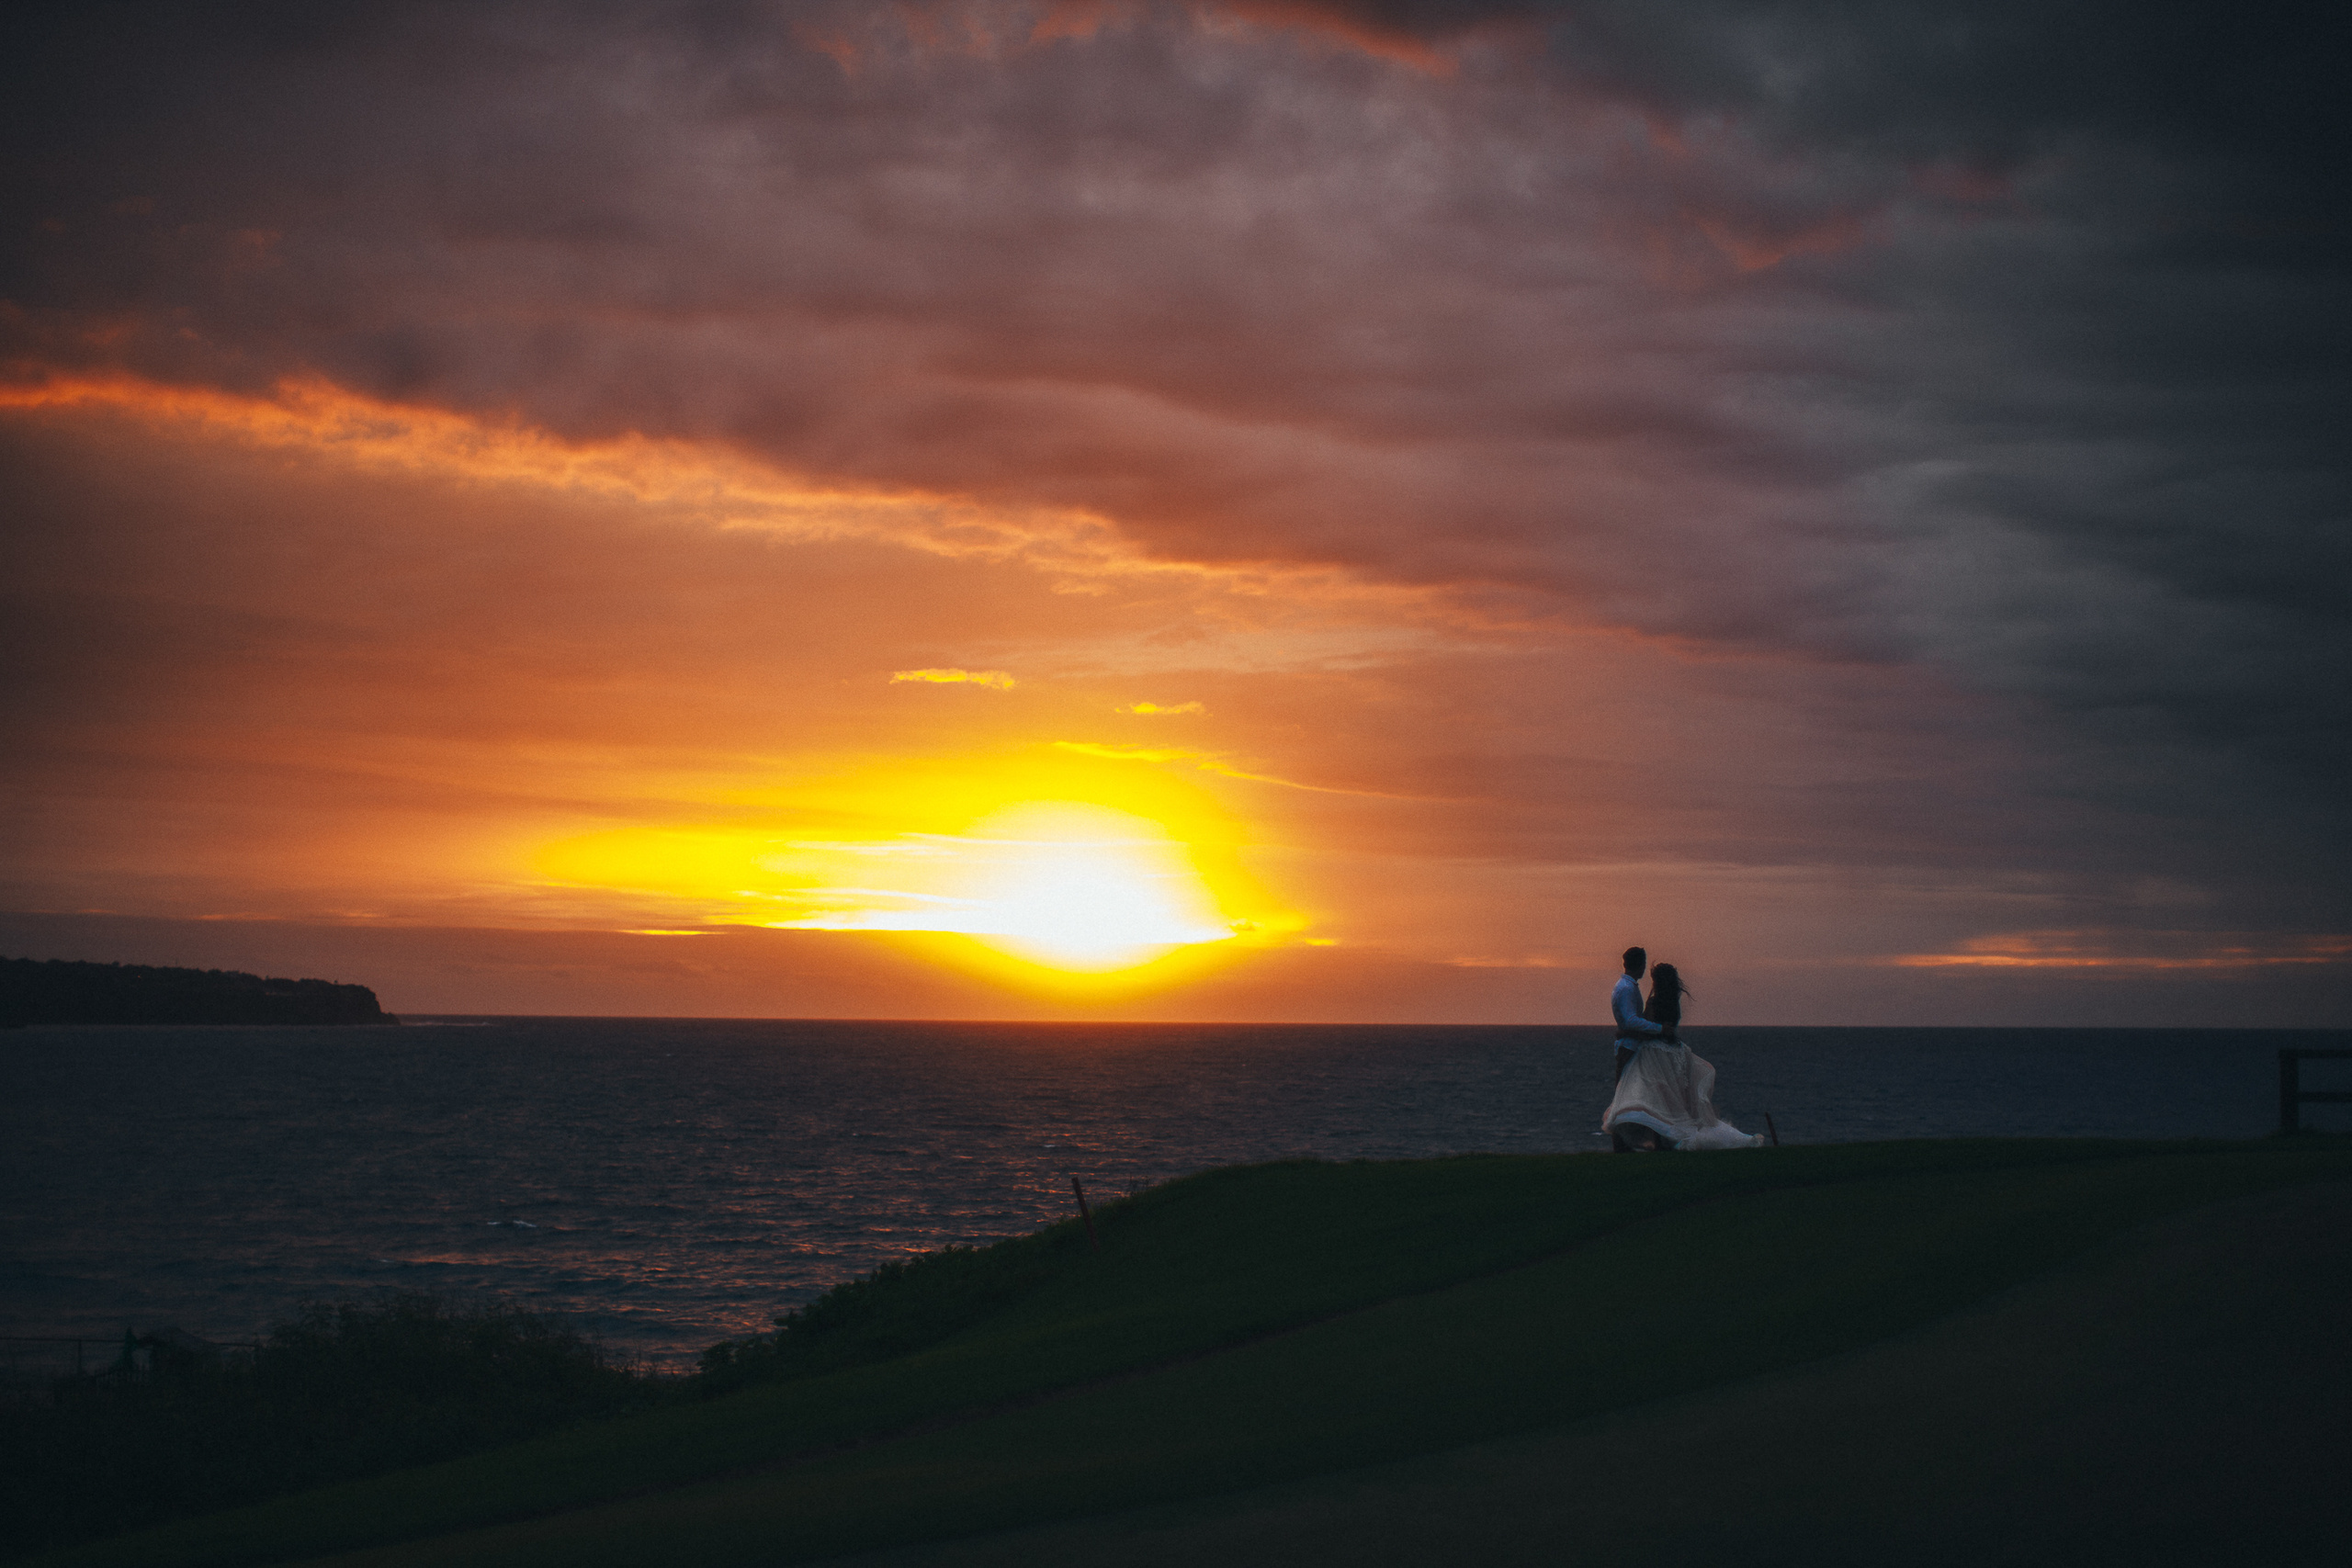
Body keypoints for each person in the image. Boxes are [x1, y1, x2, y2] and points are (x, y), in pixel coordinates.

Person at [1603, 962, 1763, 1153]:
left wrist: (1624, 1033)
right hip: (1675, 1052)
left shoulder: (1654, 1002)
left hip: (1656, 1053)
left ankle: (1658, 1141)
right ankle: (1662, 1141)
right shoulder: (1673, 1003)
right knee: (1670, 1099)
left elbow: (1649, 1028)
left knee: (1655, 1100)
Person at [1611, 946, 1666, 1086]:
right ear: (1641, 965)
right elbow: (1631, 1020)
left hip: (1629, 1045)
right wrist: (1660, 1028)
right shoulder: (1627, 988)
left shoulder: (1625, 986)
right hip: (1629, 1047)